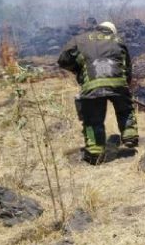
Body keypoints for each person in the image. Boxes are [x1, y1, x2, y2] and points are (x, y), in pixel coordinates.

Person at [57, 21, 138, 164]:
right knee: (125, 109)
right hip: (117, 82)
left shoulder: (80, 40)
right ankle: (130, 137)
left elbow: (63, 60)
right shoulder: (118, 40)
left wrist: (78, 69)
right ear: (111, 31)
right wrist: (126, 86)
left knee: (93, 119)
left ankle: (95, 153)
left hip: (92, 85)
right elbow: (127, 67)